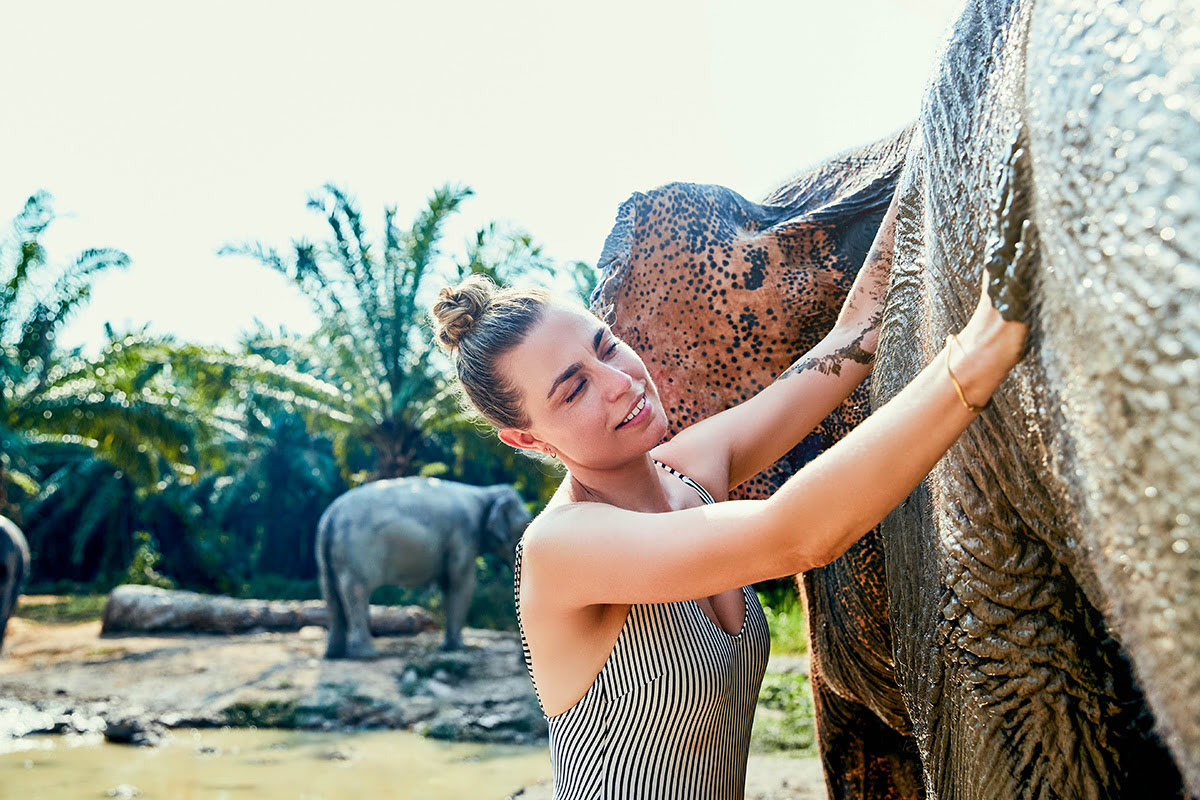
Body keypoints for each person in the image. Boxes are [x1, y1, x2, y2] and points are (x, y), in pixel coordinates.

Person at [429, 195, 1028, 798]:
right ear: (526, 437)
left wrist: (922, 172)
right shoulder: (561, 547)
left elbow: (851, 337)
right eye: (573, 389)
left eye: (606, 346)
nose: (619, 382)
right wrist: (983, 349)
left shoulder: (690, 471)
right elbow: (800, 534)